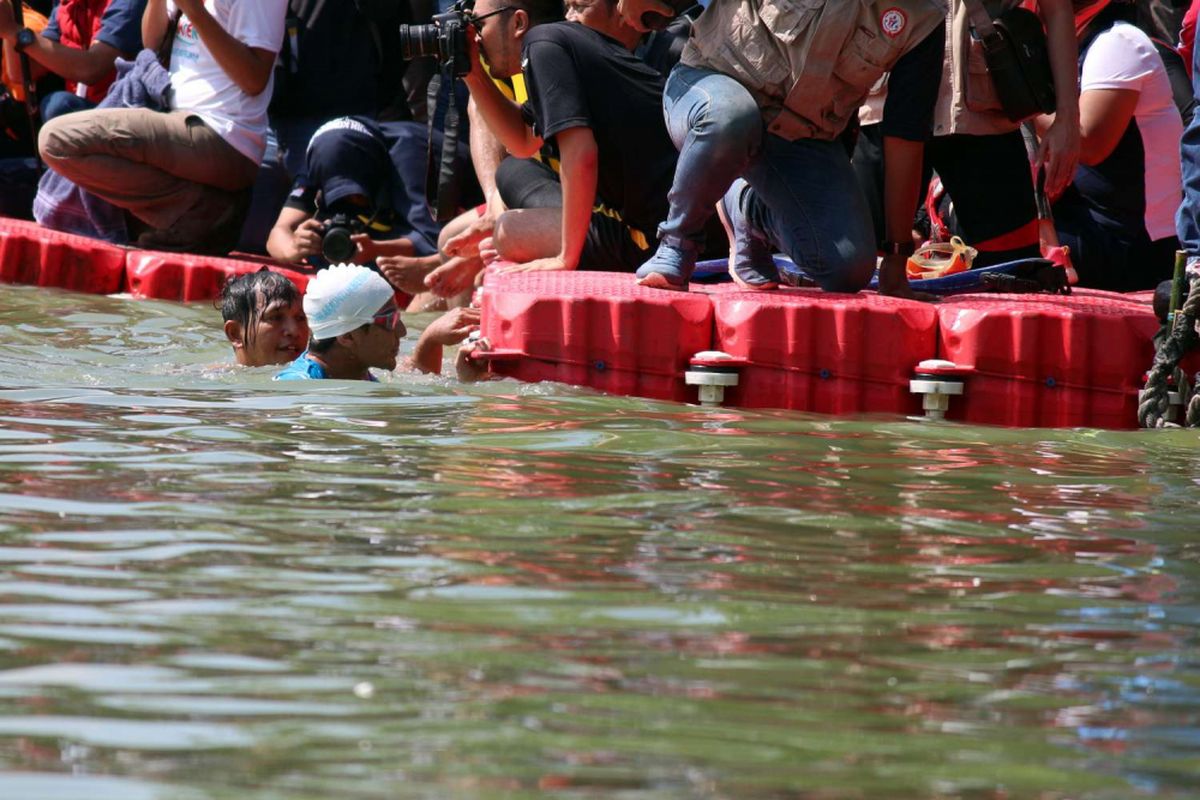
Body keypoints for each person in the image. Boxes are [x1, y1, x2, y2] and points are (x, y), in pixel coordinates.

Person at [619, 0, 951, 296]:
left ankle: (749, 213)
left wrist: (896, 258)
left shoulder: (923, 17)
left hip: (799, 138)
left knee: (848, 268)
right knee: (731, 118)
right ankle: (677, 244)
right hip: (710, 90)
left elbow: (904, 137)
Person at [37, 0, 287, 254]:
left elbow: (254, 79)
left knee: (57, 140)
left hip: (225, 135)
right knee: (60, 139)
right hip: (176, 120)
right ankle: (201, 210)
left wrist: (195, 11)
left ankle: (203, 209)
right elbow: (151, 42)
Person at [462, 0, 679, 275]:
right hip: (673, 218)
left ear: (518, 23)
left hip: (668, 238)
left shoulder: (543, 43)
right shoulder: (558, 45)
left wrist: (566, 256)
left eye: (479, 25)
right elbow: (522, 142)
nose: (476, 38)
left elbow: (581, 156)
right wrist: (472, 72)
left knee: (508, 232)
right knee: (512, 171)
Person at [1050, 0, 1183, 290]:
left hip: (1131, 246)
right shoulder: (1083, 42)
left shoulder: (1118, 42)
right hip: (1093, 230)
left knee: (999, 234)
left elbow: (1087, 141)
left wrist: (1017, 107)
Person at [265, 115, 476, 270]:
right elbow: (278, 233)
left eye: (355, 193)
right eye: (341, 198)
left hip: (465, 220)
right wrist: (294, 246)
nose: (351, 202)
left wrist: (376, 249)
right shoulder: (319, 162)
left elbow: (435, 243)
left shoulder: (411, 158)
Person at [0, 0, 147, 122]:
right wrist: (8, 27)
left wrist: (15, 31)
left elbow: (92, 69)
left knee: (58, 106)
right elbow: (21, 73)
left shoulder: (127, 3)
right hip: (88, 114)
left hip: (126, 116)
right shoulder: (65, 5)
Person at [276, 263, 406, 381]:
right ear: (347, 336)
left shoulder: (359, 376)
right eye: (390, 320)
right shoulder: (298, 389)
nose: (402, 331)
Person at [218, 268, 309, 367]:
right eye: (276, 318)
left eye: (301, 317)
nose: (294, 331)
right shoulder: (212, 379)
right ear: (235, 333)